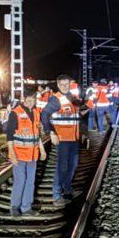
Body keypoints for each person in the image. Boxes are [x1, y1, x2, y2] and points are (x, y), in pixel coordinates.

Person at [2, 87, 47, 215]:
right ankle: (14, 207)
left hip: (33, 154)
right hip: (19, 154)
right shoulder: (15, 113)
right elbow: (9, 135)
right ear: (23, 100)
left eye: (33, 100)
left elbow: (37, 134)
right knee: (20, 180)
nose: (30, 102)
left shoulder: (37, 113)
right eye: (28, 100)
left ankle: (26, 207)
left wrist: (42, 150)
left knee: (30, 181)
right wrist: (11, 154)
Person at [40, 74, 82, 207]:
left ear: (70, 84)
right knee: (62, 167)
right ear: (58, 85)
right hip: (63, 139)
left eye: (67, 84)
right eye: (62, 84)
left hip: (74, 138)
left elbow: (76, 118)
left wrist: (84, 132)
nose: (65, 86)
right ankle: (57, 195)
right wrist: (51, 132)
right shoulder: (56, 100)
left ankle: (68, 190)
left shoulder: (72, 98)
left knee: (73, 165)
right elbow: (44, 115)